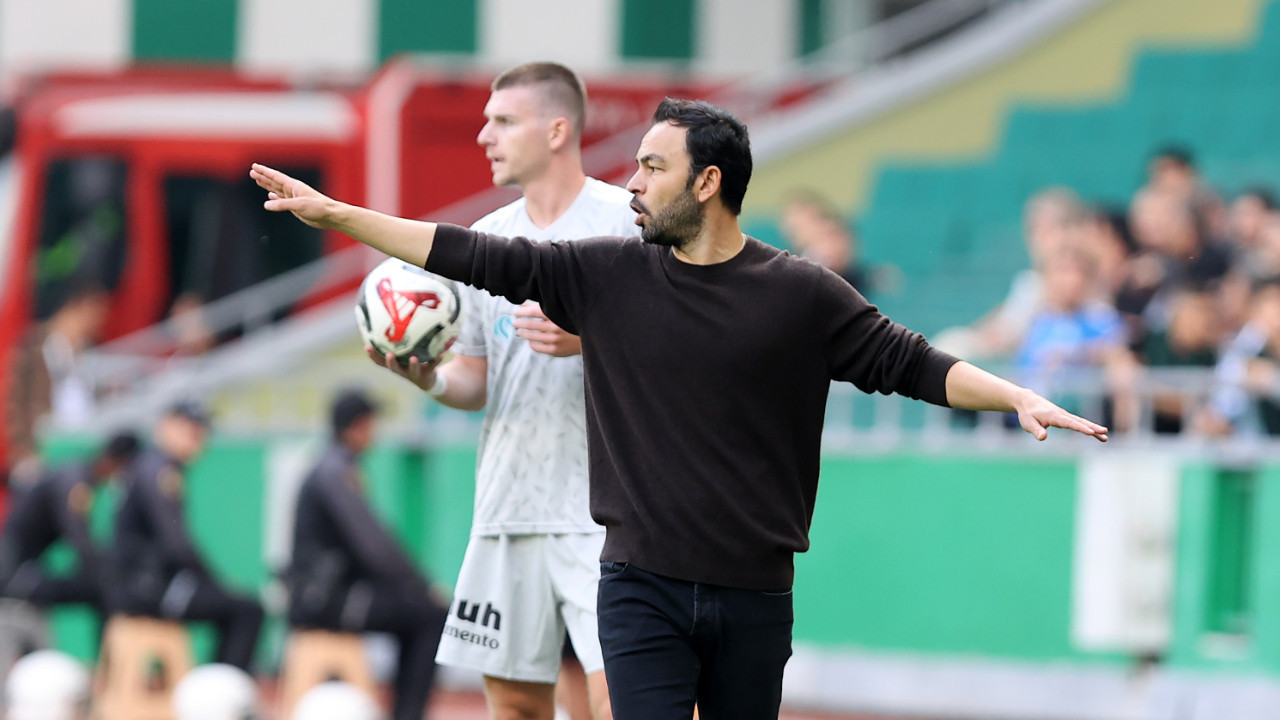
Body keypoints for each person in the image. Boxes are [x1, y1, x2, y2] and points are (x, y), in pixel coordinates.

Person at [251, 97, 1107, 720]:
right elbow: (467, 251)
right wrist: (336, 217)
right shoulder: (604, 275)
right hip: (637, 586)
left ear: (706, 182)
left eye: (652, 169)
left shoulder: (800, 293)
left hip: (756, 596)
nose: (632, 185)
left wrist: (1016, 396)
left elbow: (909, 363)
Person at [366, 62, 631, 720]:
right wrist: (426, 376)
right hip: (508, 509)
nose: (484, 135)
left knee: (624, 702)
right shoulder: (485, 239)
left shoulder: (626, 225)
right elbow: (475, 381)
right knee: (513, 706)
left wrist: (593, 339)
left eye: (503, 121)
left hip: (606, 519)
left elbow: (677, 353)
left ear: (557, 130)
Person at [288, 389, 448, 720]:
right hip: (327, 601)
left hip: (328, 594)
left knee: (417, 612)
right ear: (357, 426)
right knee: (431, 615)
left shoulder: (334, 466)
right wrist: (421, 586)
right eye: (370, 423)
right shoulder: (336, 471)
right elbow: (374, 547)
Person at [109, 400, 263, 673]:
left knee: (236, 605)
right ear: (167, 426)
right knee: (247, 610)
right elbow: (177, 546)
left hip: (141, 585)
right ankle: (219, 697)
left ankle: (214, 687)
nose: (199, 437)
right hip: (149, 590)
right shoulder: (159, 469)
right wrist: (216, 584)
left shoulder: (150, 465)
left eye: (202, 429)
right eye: (192, 429)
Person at [0, 431, 139, 619]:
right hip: (12, 568)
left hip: (22, 562)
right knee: (101, 589)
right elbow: (79, 538)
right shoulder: (75, 481)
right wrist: (107, 573)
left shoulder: (80, 474)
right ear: (118, 462)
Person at [3, 284, 110, 493]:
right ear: (76, 308)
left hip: (82, 447)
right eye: (96, 312)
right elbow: (15, 401)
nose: (100, 320)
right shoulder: (36, 344)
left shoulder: (90, 349)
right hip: (44, 446)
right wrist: (24, 449)